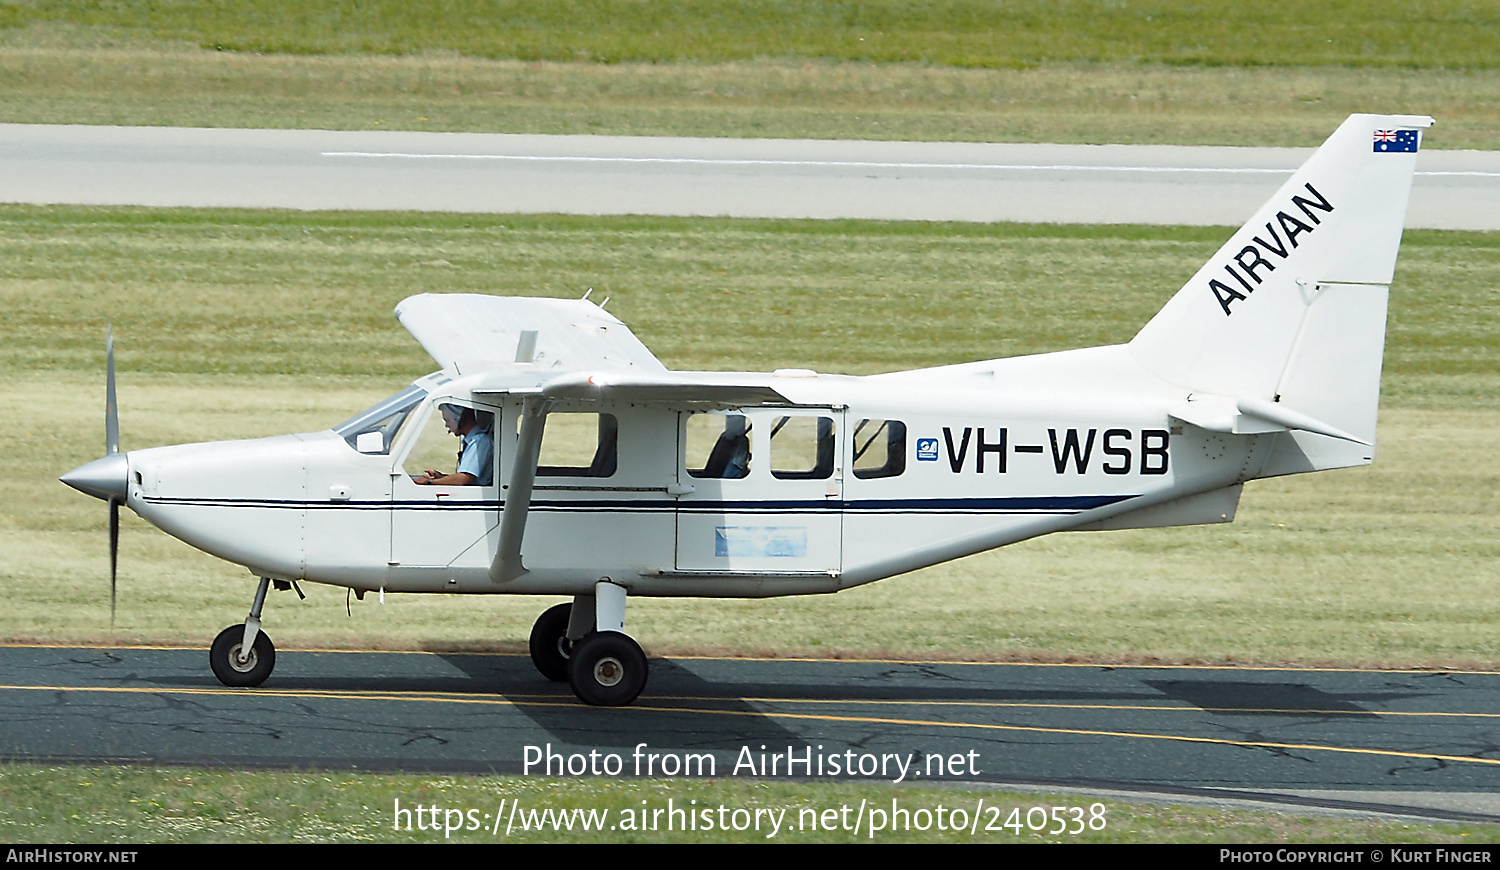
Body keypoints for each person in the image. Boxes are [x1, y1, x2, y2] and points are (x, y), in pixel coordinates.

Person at [413, 404, 493, 486]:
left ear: (460, 418)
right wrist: (441, 478)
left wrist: (429, 482)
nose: (446, 425)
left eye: (447, 420)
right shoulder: (473, 441)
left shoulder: (479, 442)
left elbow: (462, 479)